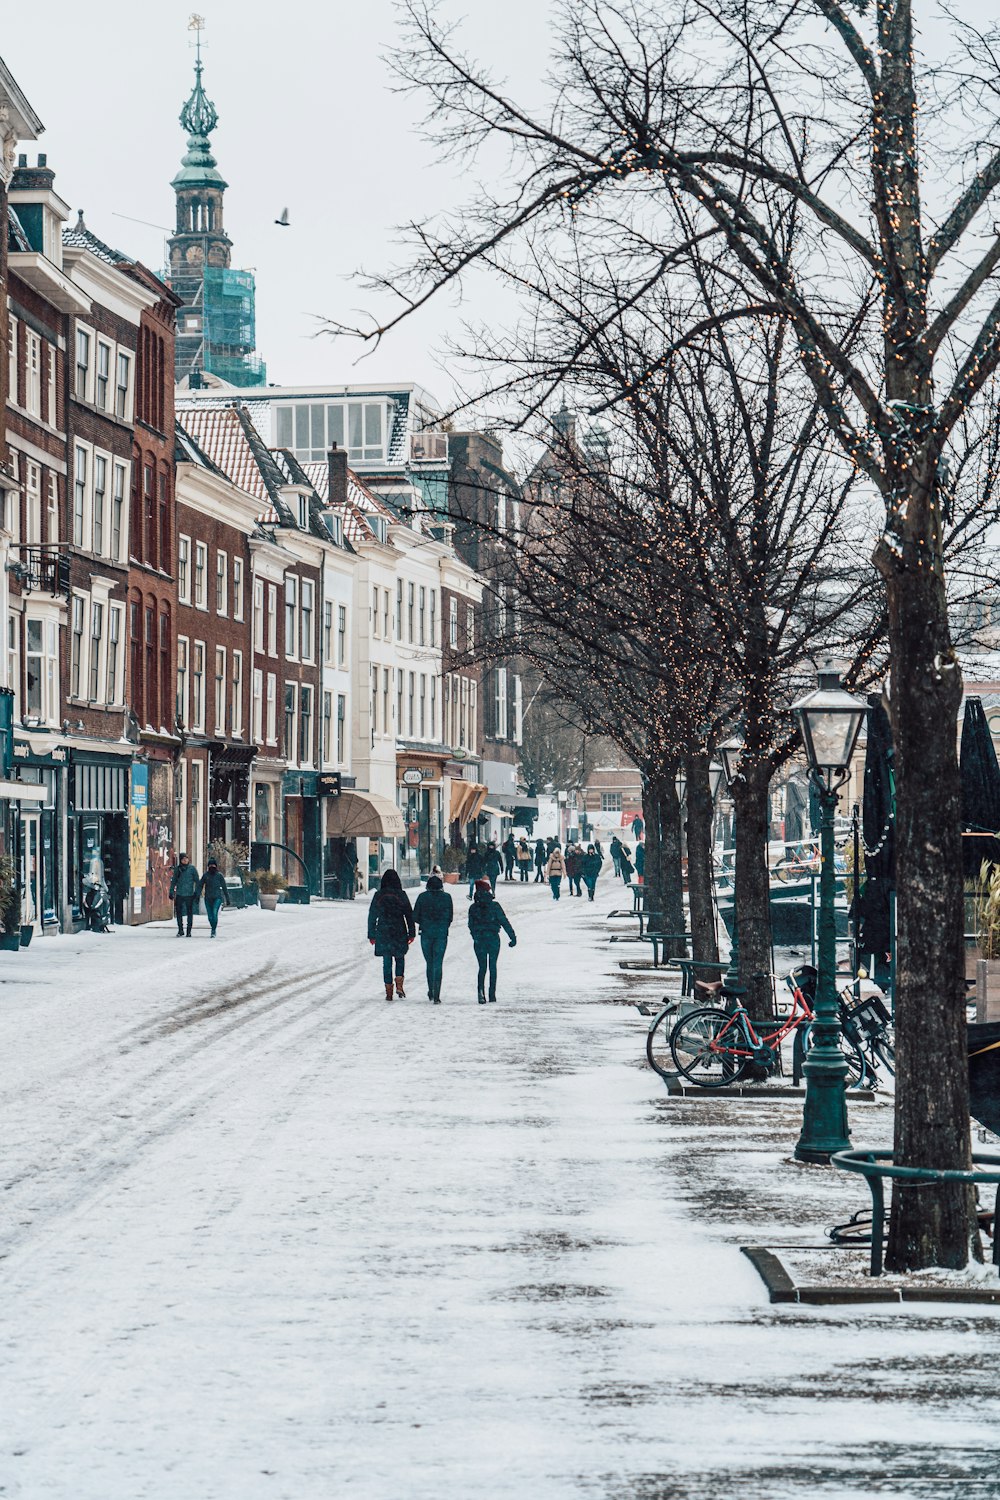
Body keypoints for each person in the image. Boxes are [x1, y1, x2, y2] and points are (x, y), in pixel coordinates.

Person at [367, 869, 416, 1000]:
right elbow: (409, 915)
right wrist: (411, 933)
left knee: (387, 960)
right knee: (400, 957)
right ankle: (399, 984)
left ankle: (388, 990)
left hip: (383, 930)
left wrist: (372, 934)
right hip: (399, 929)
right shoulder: (401, 895)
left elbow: (372, 915)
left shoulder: (379, 895)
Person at [468, 878, 516, 1003]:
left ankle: (480, 993)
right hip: (493, 938)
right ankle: (492, 994)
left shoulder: (473, 908)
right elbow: (504, 921)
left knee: (482, 967)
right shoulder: (494, 906)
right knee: (493, 966)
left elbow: (471, 925)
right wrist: (512, 936)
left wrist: (475, 935)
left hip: (480, 939)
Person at [413, 872, 454, 1003]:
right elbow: (450, 916)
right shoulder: (447, 898)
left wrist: (425, 922)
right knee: (438, 963)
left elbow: (415, 916)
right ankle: (437, 993)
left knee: (429, 963)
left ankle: (431, 990)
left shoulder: (422, 897)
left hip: (426, 933)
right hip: (441, 933)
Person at [169, 852, 200, 937]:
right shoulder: (177, 869)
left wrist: (197, 893)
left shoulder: (192, 869)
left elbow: (197, 881)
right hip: (179, 894)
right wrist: (171, 891)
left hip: (189, 894)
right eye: (183, 859)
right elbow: (174, 881)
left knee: (189, 913)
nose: (185, 860)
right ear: (181, 860)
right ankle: (180, 930)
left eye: (186, 858)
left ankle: (189, 931)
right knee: (179, 913)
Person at [199, 858, 231, 938]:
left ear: (216, 866)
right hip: (208, 898)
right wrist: (197, 896)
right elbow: (200, 886)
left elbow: (224, 887)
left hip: (217, 898)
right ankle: (213, 927)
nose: (212, 867)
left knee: (214, 913)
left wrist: (227, 898)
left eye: (213, 865)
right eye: (210, 865)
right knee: (210, 916)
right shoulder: (205, 875)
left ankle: (213, 930)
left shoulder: (219, 876)